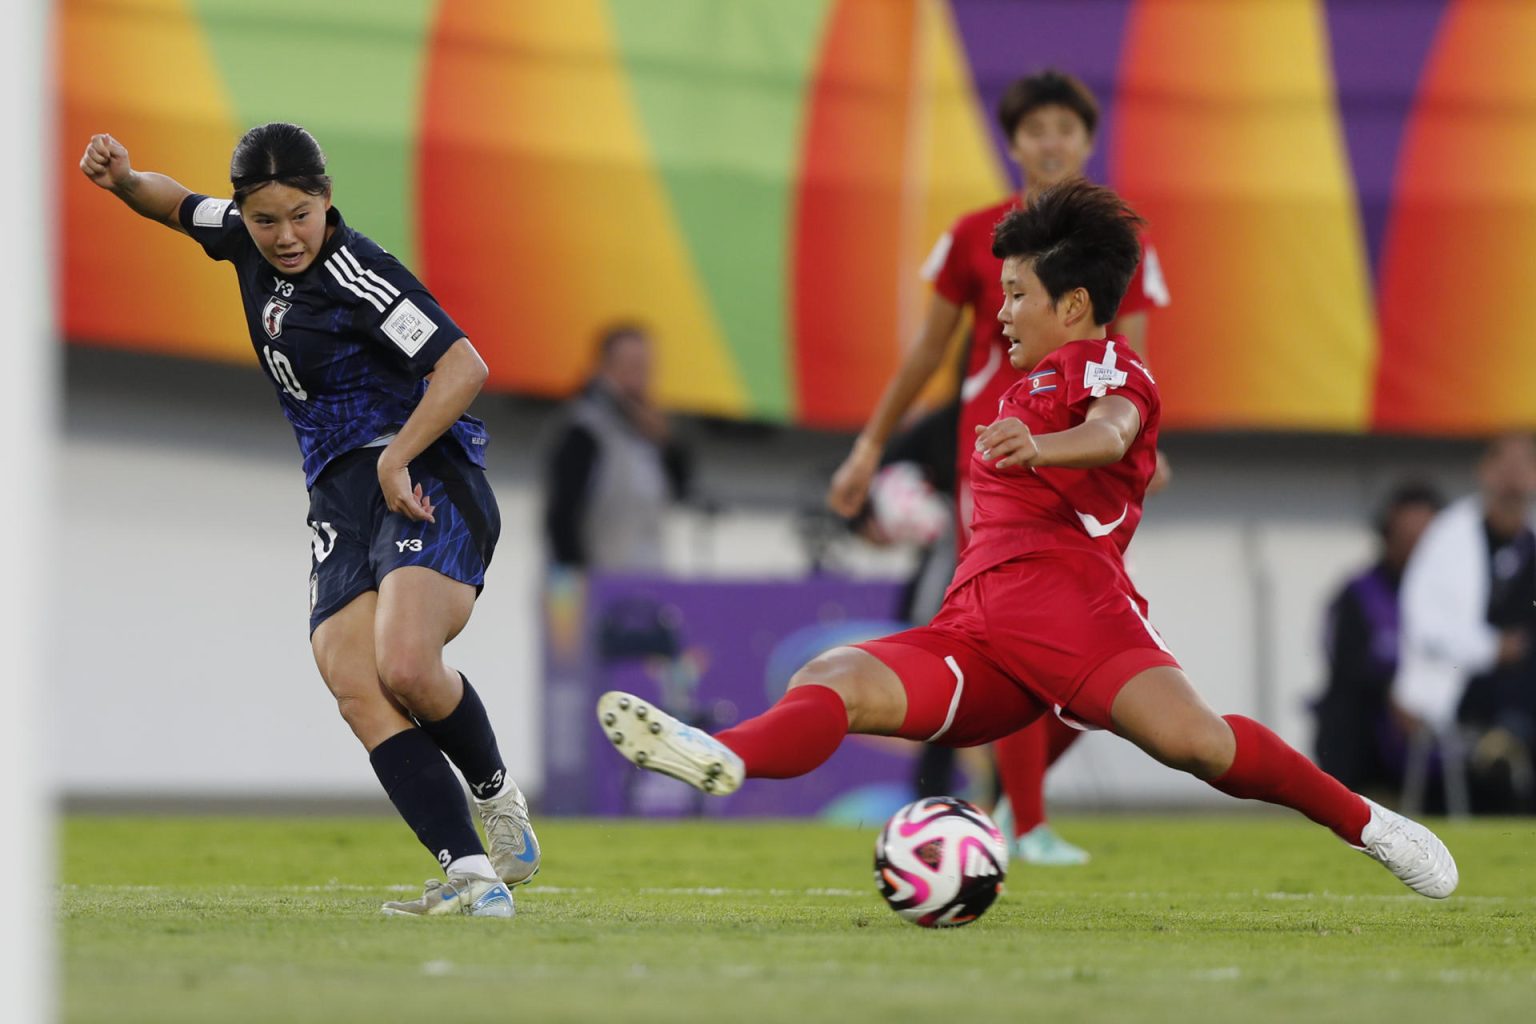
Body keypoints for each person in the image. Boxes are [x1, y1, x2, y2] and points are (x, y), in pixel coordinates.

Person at [598, 181, 1458, 901]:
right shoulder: (1015, 385)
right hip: (979, 626)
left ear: (1073, 303)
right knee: (832, 679)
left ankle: (1369, 823)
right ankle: (723, 754)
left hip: (1078, 616)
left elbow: (1115, 432)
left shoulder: (1113, 369)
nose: (1000, 310)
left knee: (1202, 748)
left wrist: (1046, 447)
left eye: (1015, 294)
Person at [80, 124, 540, 917]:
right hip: (337, 493)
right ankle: (472, 875)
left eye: (301, 214)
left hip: (423, 471)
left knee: (405, 664)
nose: (286, 236)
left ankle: (498, 801)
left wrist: (398, 457)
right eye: (266, 220)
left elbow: (462, 366)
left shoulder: (360, 274)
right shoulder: (242, 238)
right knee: (352, 679)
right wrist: (124, 181)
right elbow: (176, 204)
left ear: (326, 200)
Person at [827, 69, 1171, 865]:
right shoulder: (978, 234)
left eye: (1067, 129)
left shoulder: (1122, 244)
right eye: (1034, 129)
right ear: (1012, 143)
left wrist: (1151, 445)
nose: (1051, 142)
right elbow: (927, 352)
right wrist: (870, 446)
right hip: (1000, 455)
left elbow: (1131, 351)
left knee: (1093, 639)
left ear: (1088, 141)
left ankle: (1004, 806)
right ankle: (1027, 819)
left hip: (1093, 457)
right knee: (1011, 630)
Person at [1396, 434, 1536, 812]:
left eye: (1523, 466)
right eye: (1504, 466)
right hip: (1468, 683)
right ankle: (1509, 734)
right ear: (1484, 473)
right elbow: (1425, 625)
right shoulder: (1449, 538)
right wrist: (1494, 648)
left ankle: (1510, 736)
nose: (1513, 478)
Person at [1313, 483, 1443, 797]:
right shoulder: (1359, 592)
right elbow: (1346, 662)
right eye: (1407, 536)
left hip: (1431, 714)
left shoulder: (1449, 600)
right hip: (1371, 716)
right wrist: (1394, 696)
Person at [544, 324, 691, 573]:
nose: (640, 376)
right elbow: (562, 516)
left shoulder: (650, 431)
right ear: (605, 368)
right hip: (598, 576)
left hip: (646, 574)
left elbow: (680, 490)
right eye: (631, 366)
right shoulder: (584, 428)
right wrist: (579, 579)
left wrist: (668, 443)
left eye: (645, 367)